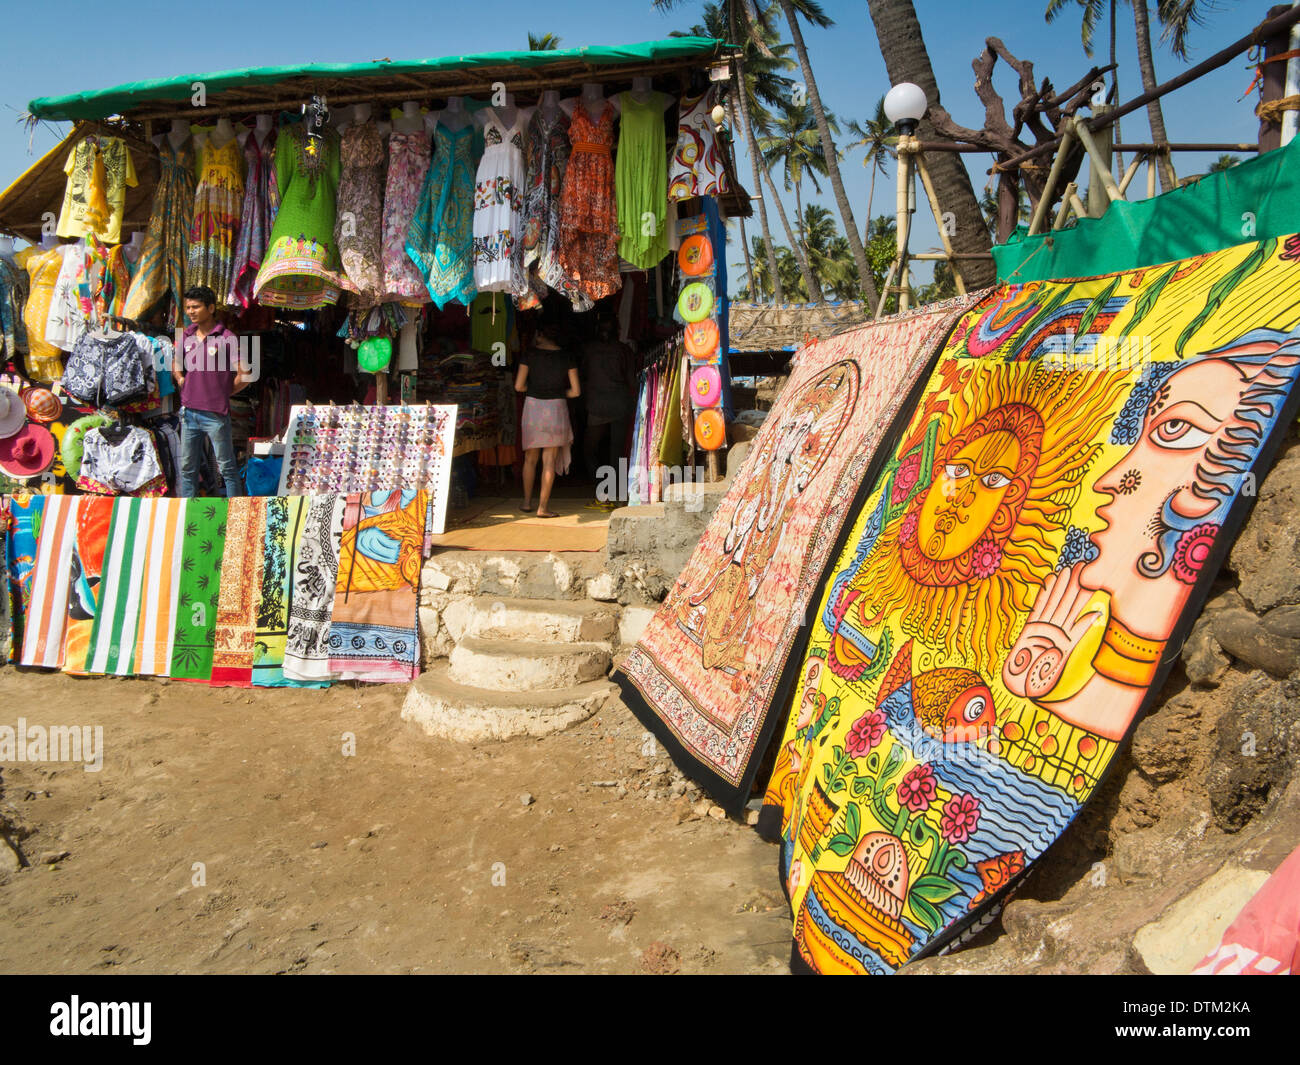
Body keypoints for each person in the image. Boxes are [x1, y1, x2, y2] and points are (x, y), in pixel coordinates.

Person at [173, 285, 251, 497]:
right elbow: (175, 362)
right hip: (189, 413)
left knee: (226, 468)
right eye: (188, 307)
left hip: (216, 415)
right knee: (188, 469)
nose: (190, 312)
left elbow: (244, 374)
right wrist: (181, 380)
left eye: (196, 307)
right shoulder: (187, 335)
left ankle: (235, 511)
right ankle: (187, 513)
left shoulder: (227, 338)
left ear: (211, 308)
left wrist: (224, 392)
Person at [514, 325, 579, 518]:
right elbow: (575, 391)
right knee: (549, 461)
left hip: (533, 407)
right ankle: (543, 508)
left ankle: (526, 503)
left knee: (530, 459)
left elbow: (519, 386)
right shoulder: (567, 356)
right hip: (556, 409)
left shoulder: (529, 355)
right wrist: (558, 393)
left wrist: (535, 390)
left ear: (540, 334)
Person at [579, 317, 634, 489]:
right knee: (617, 451)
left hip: (597, 404)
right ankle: (618, 489)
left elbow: (582, 375)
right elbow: (632, 380)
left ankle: (600, 485)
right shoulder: (624, 350)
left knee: (589, 449)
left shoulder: (588, 350)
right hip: (620, 403)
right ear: (617, 330)